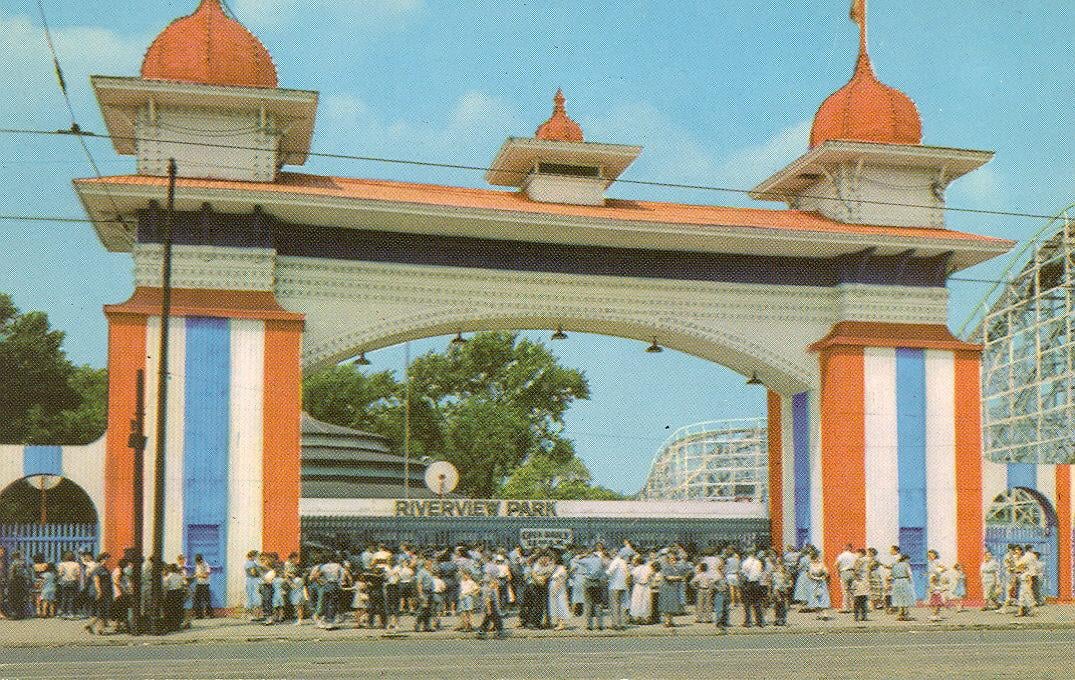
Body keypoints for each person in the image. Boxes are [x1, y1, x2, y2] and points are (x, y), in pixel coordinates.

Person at [658, 552, 689, 627]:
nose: (674, 561)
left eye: (675, 559)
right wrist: (679, 578)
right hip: (667, 588)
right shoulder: (666, 567)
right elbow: (668, 577)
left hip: (674, 588)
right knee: (667, 605)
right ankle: (667, 621)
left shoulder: (676, 568)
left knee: (672, 605)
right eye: (672, 559)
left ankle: (670, 621)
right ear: (668, 560)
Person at [85, 552, 113, 635]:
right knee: (101, 610)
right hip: (101, 591)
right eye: (107, 559)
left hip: (106, 591)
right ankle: (95, 627)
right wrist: (99, 592)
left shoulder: (104, 568)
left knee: (102, 611)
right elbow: (96, 580)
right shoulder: (99, 568)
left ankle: (96, 628)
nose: (108, 561)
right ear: (102, 560)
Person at [606, 550, 629, 630]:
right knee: (622, 605)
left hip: (614, 585)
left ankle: (615, 624)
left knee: (614, 605)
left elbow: (610, 572)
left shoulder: (615, 562)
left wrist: (604, 574)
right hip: (623, 585)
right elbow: (627, 573)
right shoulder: (624, 562)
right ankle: (623, 623)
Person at [890, 554, 916, 621]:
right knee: (906, 598)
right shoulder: (906, 564)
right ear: (906, 559)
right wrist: (911, 582)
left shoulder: (895, 564)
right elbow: (909, 573)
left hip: (897, 581)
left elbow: (892, 573)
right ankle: (906, 614)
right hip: (904, 581)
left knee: (899, 598)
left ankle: (900, 614)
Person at [7, 550, 32, 620]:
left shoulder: (14, 563)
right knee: (21, 597)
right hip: (22, 581)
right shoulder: (23, 563)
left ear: (14, 556)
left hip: (15, 582)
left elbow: (11, 574)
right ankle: (21, 613)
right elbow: (27, 573)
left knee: (14, 598)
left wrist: (10, 581)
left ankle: (15, 614)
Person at [548, 557, 571, 630]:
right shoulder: (553, 568)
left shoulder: (561, 568)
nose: (551, 561)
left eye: (552, 559)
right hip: (552, 584)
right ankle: (558, 622)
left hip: (558, 587)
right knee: (554, 604)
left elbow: (562, 579)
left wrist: (556, 588)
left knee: (560, 604)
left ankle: (562, 623)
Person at [833, 543, 858, 613]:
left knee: (845, 591)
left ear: (845, 548)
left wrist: (838, 573)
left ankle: (846, 607)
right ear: (851, 548)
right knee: (853, 591)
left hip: (844, 572)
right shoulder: (854, 555)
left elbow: (836, 565)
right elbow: (857, 565)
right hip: (853, 572)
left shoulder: (841, 556)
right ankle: (854, 607)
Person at [57, 551, 81, 619]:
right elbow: (78, 574)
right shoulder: (76, 564)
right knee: (72, 598)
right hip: (73, 582)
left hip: (64, 582)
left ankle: (63, 612)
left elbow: (60, 573)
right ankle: (71, 612)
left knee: (64, 597)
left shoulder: (61, 564)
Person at [806, 552, 831, 620]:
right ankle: (818, 614)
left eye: (817, 558)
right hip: (813, 583)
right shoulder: (810, 565)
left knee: (823, 597)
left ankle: (825, 614)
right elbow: (808, 574)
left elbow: (827, 572)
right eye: (814, 559)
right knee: (815, 598)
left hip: (821, 583)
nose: (816, 560)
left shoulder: (821, 565)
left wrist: (822, 577)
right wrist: (813, 578)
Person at [628, 555, 652, 624]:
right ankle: (645, 617)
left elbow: (631, 577)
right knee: (645, 601)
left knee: (637, 601)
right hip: (646, 586)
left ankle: (637, 617)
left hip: (638, 586)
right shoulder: (648, 568)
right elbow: (650, 575)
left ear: (637, 562)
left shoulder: (636, 569)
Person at [770, 561, 791, 626]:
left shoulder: (786, 574)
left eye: (780, 566)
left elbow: (789, 583)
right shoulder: (774, 574)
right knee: (777, 606)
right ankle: (778, 619)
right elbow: (772, 583)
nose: (779, 567)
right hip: (777, 591)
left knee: (783, 606)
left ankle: (783, 619)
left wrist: (788, 585)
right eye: (777, 566)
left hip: (783, 591)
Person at [192, 554, 212, 619]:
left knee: (206, 599)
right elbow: (197, 574)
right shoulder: (197, 565)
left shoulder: (206, 565)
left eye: (198, 562)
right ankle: (199, 614)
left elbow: (206, 575)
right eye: (196, 562)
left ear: (201, 560)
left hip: (205, 584)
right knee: (197, 599)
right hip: (199, 584)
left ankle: (210, 614)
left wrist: (198, 575)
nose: (197, 563)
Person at [244, 551, 262, 620]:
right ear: (252, 556)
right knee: (254, 596)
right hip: (253, 581)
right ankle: (254, 615)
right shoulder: (251, 563)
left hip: (250, 581)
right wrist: (259, 572)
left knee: (250, 596)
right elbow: (253, 573)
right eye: (255, 556)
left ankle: (251, 614)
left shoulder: (249, 563)